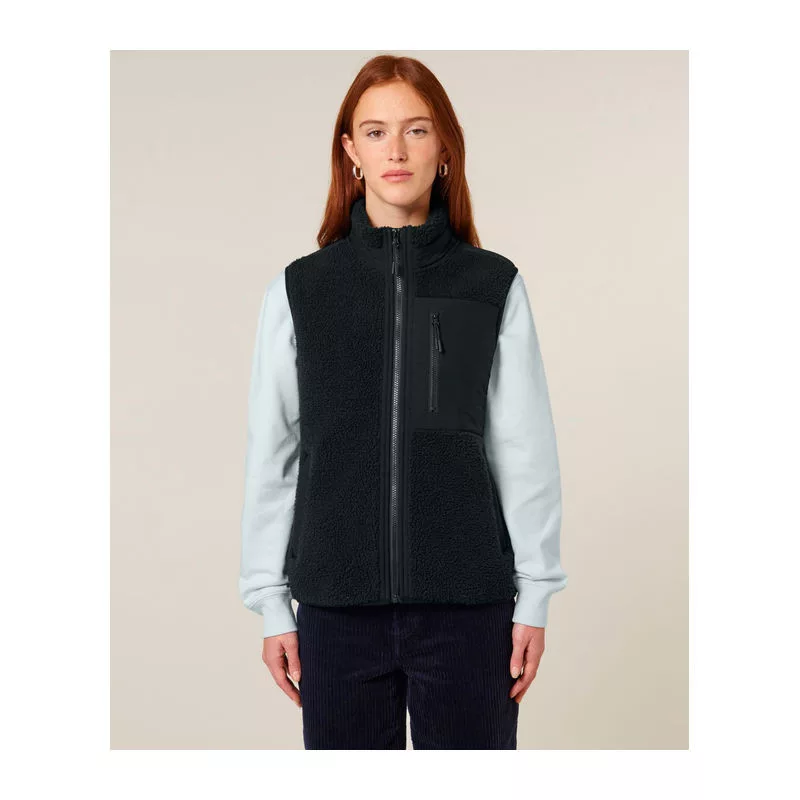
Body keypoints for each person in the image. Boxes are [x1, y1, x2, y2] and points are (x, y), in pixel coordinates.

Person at [239, 54, 567, 750]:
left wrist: (535, 594)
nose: (396, 150)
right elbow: (275, 453)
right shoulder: (301, 291)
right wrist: (272, 602)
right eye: (376, 131)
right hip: (335, 611)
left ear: (444, 147)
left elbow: (524, 447)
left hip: (468, 610)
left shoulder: (490, 284)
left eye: (416, 130)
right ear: (350, 151)